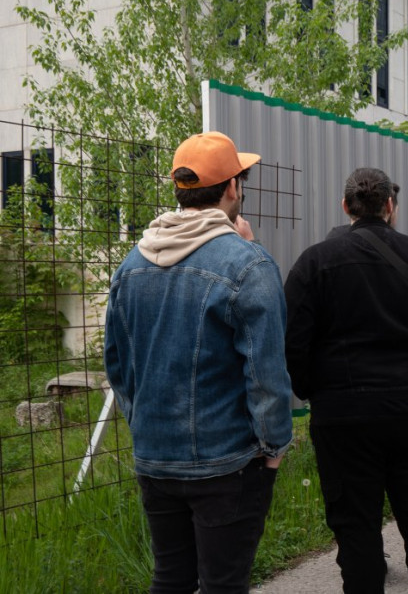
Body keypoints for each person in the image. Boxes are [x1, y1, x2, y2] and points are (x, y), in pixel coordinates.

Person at [104, 131, 293, 592]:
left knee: (170, 578)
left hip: (154, 455)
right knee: (224, 583)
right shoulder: (247, 265)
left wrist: (145, 426)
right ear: (231, 188)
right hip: (226, 462)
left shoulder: (131, 265)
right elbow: (266, 373)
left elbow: (117, 365)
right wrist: (273, 449)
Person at [284, 168, 408, 592]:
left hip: (343, 416)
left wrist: (313, 389)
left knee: (355, 527)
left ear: (345, 207)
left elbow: (292, 342)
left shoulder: (314, 263)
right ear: (390, 205)